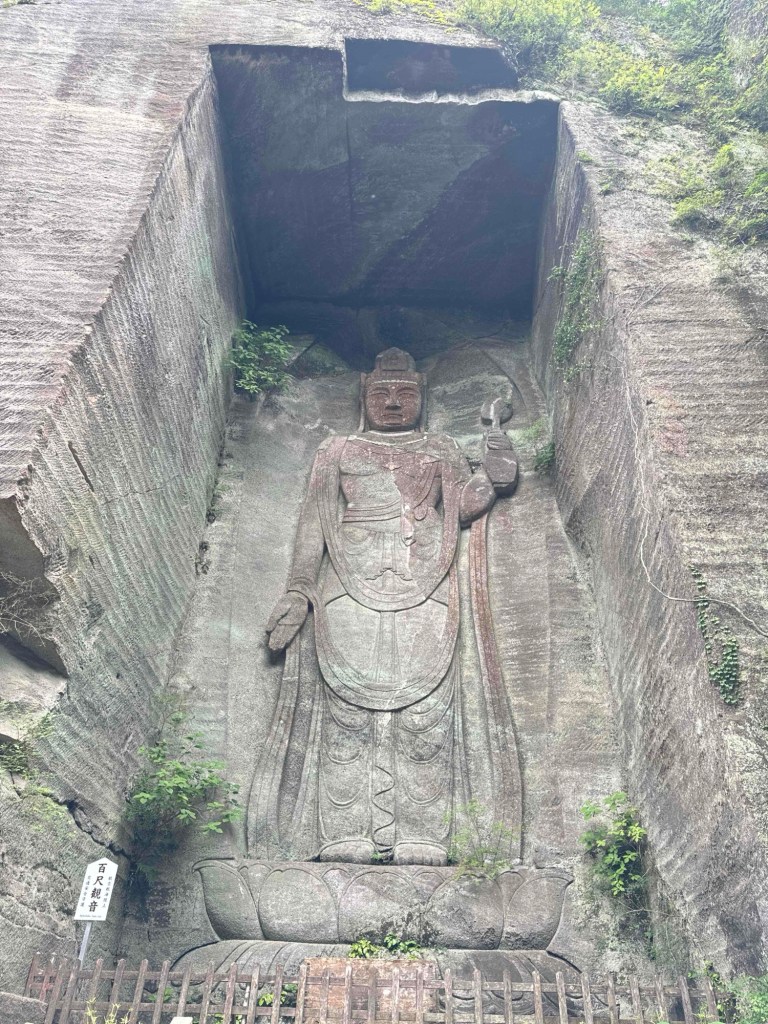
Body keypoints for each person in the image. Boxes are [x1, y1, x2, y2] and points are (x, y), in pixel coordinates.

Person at [248, 347, 521, 866]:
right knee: (346, 708)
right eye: (381, 393)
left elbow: (460, 509)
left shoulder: (439, 447)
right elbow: (314, 520)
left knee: (426, 710)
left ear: (421, 396)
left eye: (405, 394)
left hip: (426, 580)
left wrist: (493, 469)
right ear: (363, 395)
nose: (393, 403)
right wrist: (300, 588)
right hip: (347, 580)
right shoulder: (337, 449)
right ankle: (343, 831)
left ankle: (424, 832)